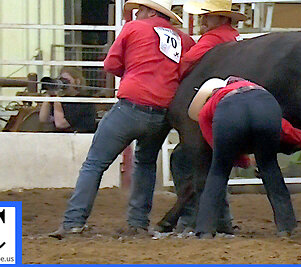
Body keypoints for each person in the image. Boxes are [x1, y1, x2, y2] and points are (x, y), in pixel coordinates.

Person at [49, 0, 195, 239]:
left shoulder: (134, 29)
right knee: (146, 163)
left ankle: (74, 221)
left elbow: (111, 64)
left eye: (140, 10)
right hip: (161, 113)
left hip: (131, 106)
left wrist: (134, 69)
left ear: (150, 11)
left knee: (95, 164)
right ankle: (137, 223)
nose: (136, 13)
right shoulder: (184, 40)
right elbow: (183, 73)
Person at [189, 76, 301, 238]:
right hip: (266, 105)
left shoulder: (210, 105)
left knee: (218, 171)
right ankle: (286, 227)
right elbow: (286, 130)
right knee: (270, 166)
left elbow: (218, 148)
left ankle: (205, 230)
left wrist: (244, 162)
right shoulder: (255, 90)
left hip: (230, 112)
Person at [172, 0, 247, 234]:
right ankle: (223, 220)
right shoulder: (234, 38)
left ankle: (191, 217)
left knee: (184, 159)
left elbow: (185, 63)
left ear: (222, 19)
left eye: (208, 16)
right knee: (216, 163)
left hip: (214, 106)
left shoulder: (214, 39)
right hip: (238, 105)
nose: (204, 21)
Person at [179, 0, 247, 79]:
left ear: (223, 18)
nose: (202, 20)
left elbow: (188, 60)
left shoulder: (214, 37)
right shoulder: (233, 33)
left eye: (208, 16)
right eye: (202, 16)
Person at [39, 66, 96, 133]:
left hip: (79, 138)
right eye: (61, 80)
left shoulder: (83, 101)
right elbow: (43, 119)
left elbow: (60, 124)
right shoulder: (62, 100)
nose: (63, 84)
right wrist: (49, 95)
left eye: (66, 81)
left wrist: (57, 100)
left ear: (77, 82)